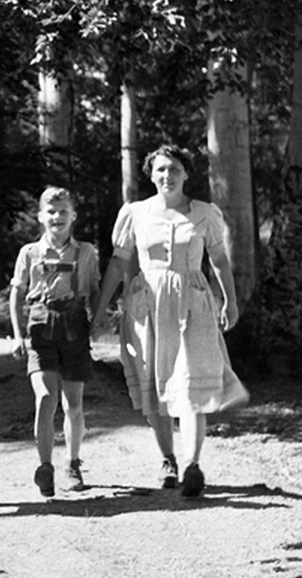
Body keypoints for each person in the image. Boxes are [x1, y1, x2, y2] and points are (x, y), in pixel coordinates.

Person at [90, 144, 248, 498]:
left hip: (193, 305)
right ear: (151, 175)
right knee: (155, 386)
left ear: (186, 174)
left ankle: (192, 465)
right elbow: (118, 263)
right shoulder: (135, 213)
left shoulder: (204, 213)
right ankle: (168, 460)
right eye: (160, 169)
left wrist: (230, 301)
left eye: (174, 168)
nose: (167, 175)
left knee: (190, 387)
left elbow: (219, 259)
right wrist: (100, 312)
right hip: (147, 306)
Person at [9, 186, 101, 497]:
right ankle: (45, 466)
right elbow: (17, 293)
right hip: (40, 329)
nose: (57, 217)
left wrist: (97, 324)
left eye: (63, 211)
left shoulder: (85, 253)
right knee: (46, 397)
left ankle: (72, 463)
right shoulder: (29, 253)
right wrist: (18, 335)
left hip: (74, 327)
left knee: (73, 403)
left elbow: (94, 290)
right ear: (40, 216)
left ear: (73, 216)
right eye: (51, 211)